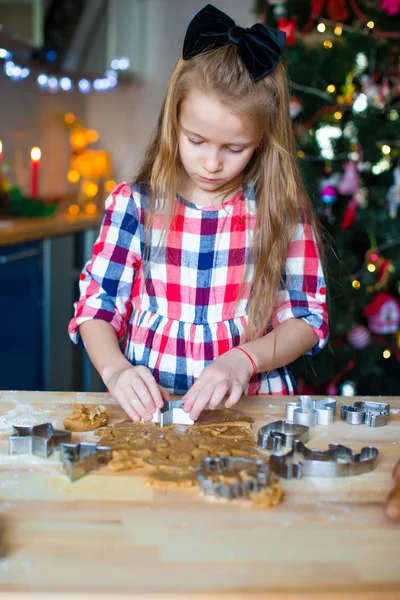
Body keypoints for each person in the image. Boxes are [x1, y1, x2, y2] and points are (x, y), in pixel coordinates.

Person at [68, 4, 329, 423]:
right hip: (152, 417)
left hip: (256, 412)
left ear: (262, 141)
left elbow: (306, 319)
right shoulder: (134, 206)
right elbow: (96, 308)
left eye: (234, 148)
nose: (211, 163)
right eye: (196, 140)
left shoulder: (281, 212)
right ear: (174, 123)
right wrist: (115, 370)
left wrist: (243, 360)